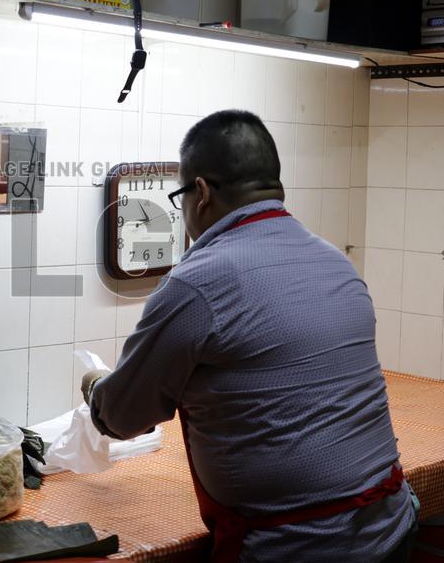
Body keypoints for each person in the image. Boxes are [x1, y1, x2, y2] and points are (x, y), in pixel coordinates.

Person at [80, 110, 416, 562]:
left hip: (298, 549)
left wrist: (95, 385)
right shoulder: (336, 261)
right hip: (391, 529)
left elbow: (120, 418)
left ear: (200, 193)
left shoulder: (196, 285)